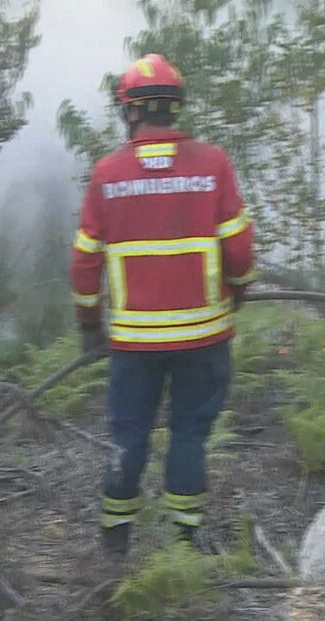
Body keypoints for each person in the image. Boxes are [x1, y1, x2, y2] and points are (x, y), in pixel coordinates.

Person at [69, 54, 257, 561]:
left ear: (130, 110)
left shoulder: (108, 173)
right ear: (175, 107)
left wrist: (89, 323)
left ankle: (114, 543)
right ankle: (183, 543)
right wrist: (238, 290)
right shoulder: (213, 164)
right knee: (190, 434)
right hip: (205, 337)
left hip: (134, 343)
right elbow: (239, 249)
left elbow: (84, 262)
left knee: (128, 435)